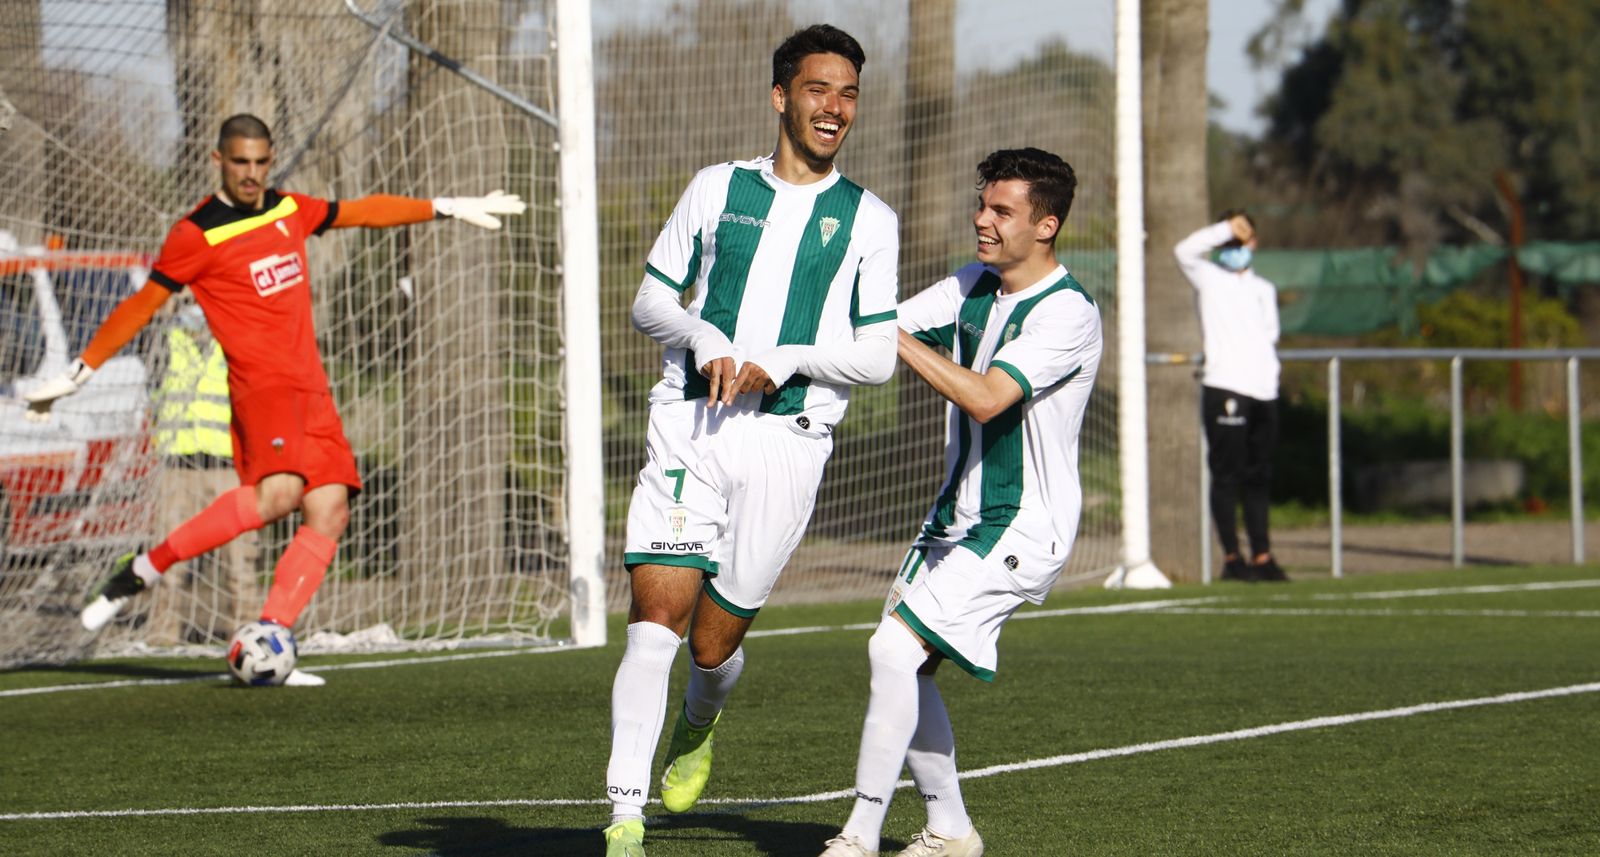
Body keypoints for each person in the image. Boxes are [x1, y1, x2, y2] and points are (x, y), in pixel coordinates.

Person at [23, 113, 525, 682]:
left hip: (313, 389)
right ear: (218, 160)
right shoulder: (196, 233)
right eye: (241, 162)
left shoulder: (288, 210)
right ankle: (142, 567)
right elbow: (142, 307)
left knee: (330, 510)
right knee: (279, 496)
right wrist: (80, 371)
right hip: (262, 391)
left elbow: (358, 212)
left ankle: (269, 640)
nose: (253, 173)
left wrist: (445, 206)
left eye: (262, 162)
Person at [601, 24, 899, 857]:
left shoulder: (870, 220)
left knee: (712, 644)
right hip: (689, 426)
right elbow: (650, 300)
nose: (834, 107)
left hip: (789, 443)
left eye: (847, 93)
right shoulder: (716, 187)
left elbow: (876, 353)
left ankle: (700, 720)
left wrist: (786, 359)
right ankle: (624, 814)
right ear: (781, 96)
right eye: (817, 89)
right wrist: (704, 339)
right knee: (655, 621)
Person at [819, 148, 1098, 857]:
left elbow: (984, 396)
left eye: (1002, 210)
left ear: (1046, 225)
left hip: (1022, 524)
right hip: (954, 517)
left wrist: (887, 332)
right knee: (904, 664)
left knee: (890, 649)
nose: (982, 219)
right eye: (983, 204)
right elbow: (877, 328)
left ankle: (858, 837)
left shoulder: (1067, 312)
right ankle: (949, 829)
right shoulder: (973, 282)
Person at [1173, 211, 1287, 583]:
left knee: (1259, 475)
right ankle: (1233, 558)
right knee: (1227, 475)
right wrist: (1226, 228)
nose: (1238, 248)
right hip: (1225, 387)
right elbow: (1184, 251)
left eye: (1244, 240)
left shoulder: (1264, 289)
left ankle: (1263, 556)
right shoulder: (1209, 278)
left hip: (1264, 390)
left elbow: (1269, 335)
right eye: (1231, 243)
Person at [145, 300, 260, 643]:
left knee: (239, 558)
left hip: (226, 465)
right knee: (168, 555)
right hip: (177, 463)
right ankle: (162, 631)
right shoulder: (166, 339)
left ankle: (245, 629)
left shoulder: (236, 336)